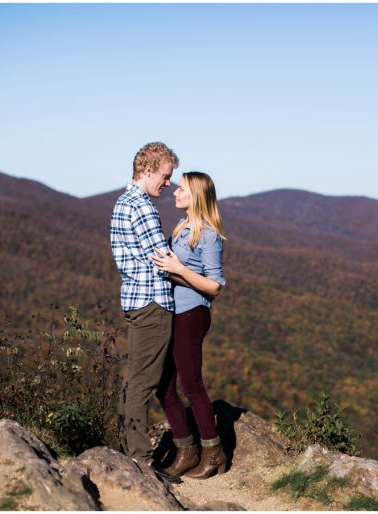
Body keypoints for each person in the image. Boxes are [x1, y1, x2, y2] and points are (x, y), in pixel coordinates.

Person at [151, 171, 227, 480]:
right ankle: (186, 451)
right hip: (174, 312)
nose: (175, 192)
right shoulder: (182, 227)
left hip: (192, 313)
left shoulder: (208, 234)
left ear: (196, 195)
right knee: (164, 385)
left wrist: (178, 268)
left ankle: (214, 453)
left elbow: (214, 286)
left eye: (181, 188)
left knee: (191, 384)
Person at [110, 141, 178, 463]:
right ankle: (141, 458)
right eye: (165, 175)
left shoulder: (123, 202)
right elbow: (163, 260)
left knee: (134, 377)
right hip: (153, 303)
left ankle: (126, 450)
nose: (168, 183)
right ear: (149, 169)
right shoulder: (142, 206)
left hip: (136, 300)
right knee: (143, 382)